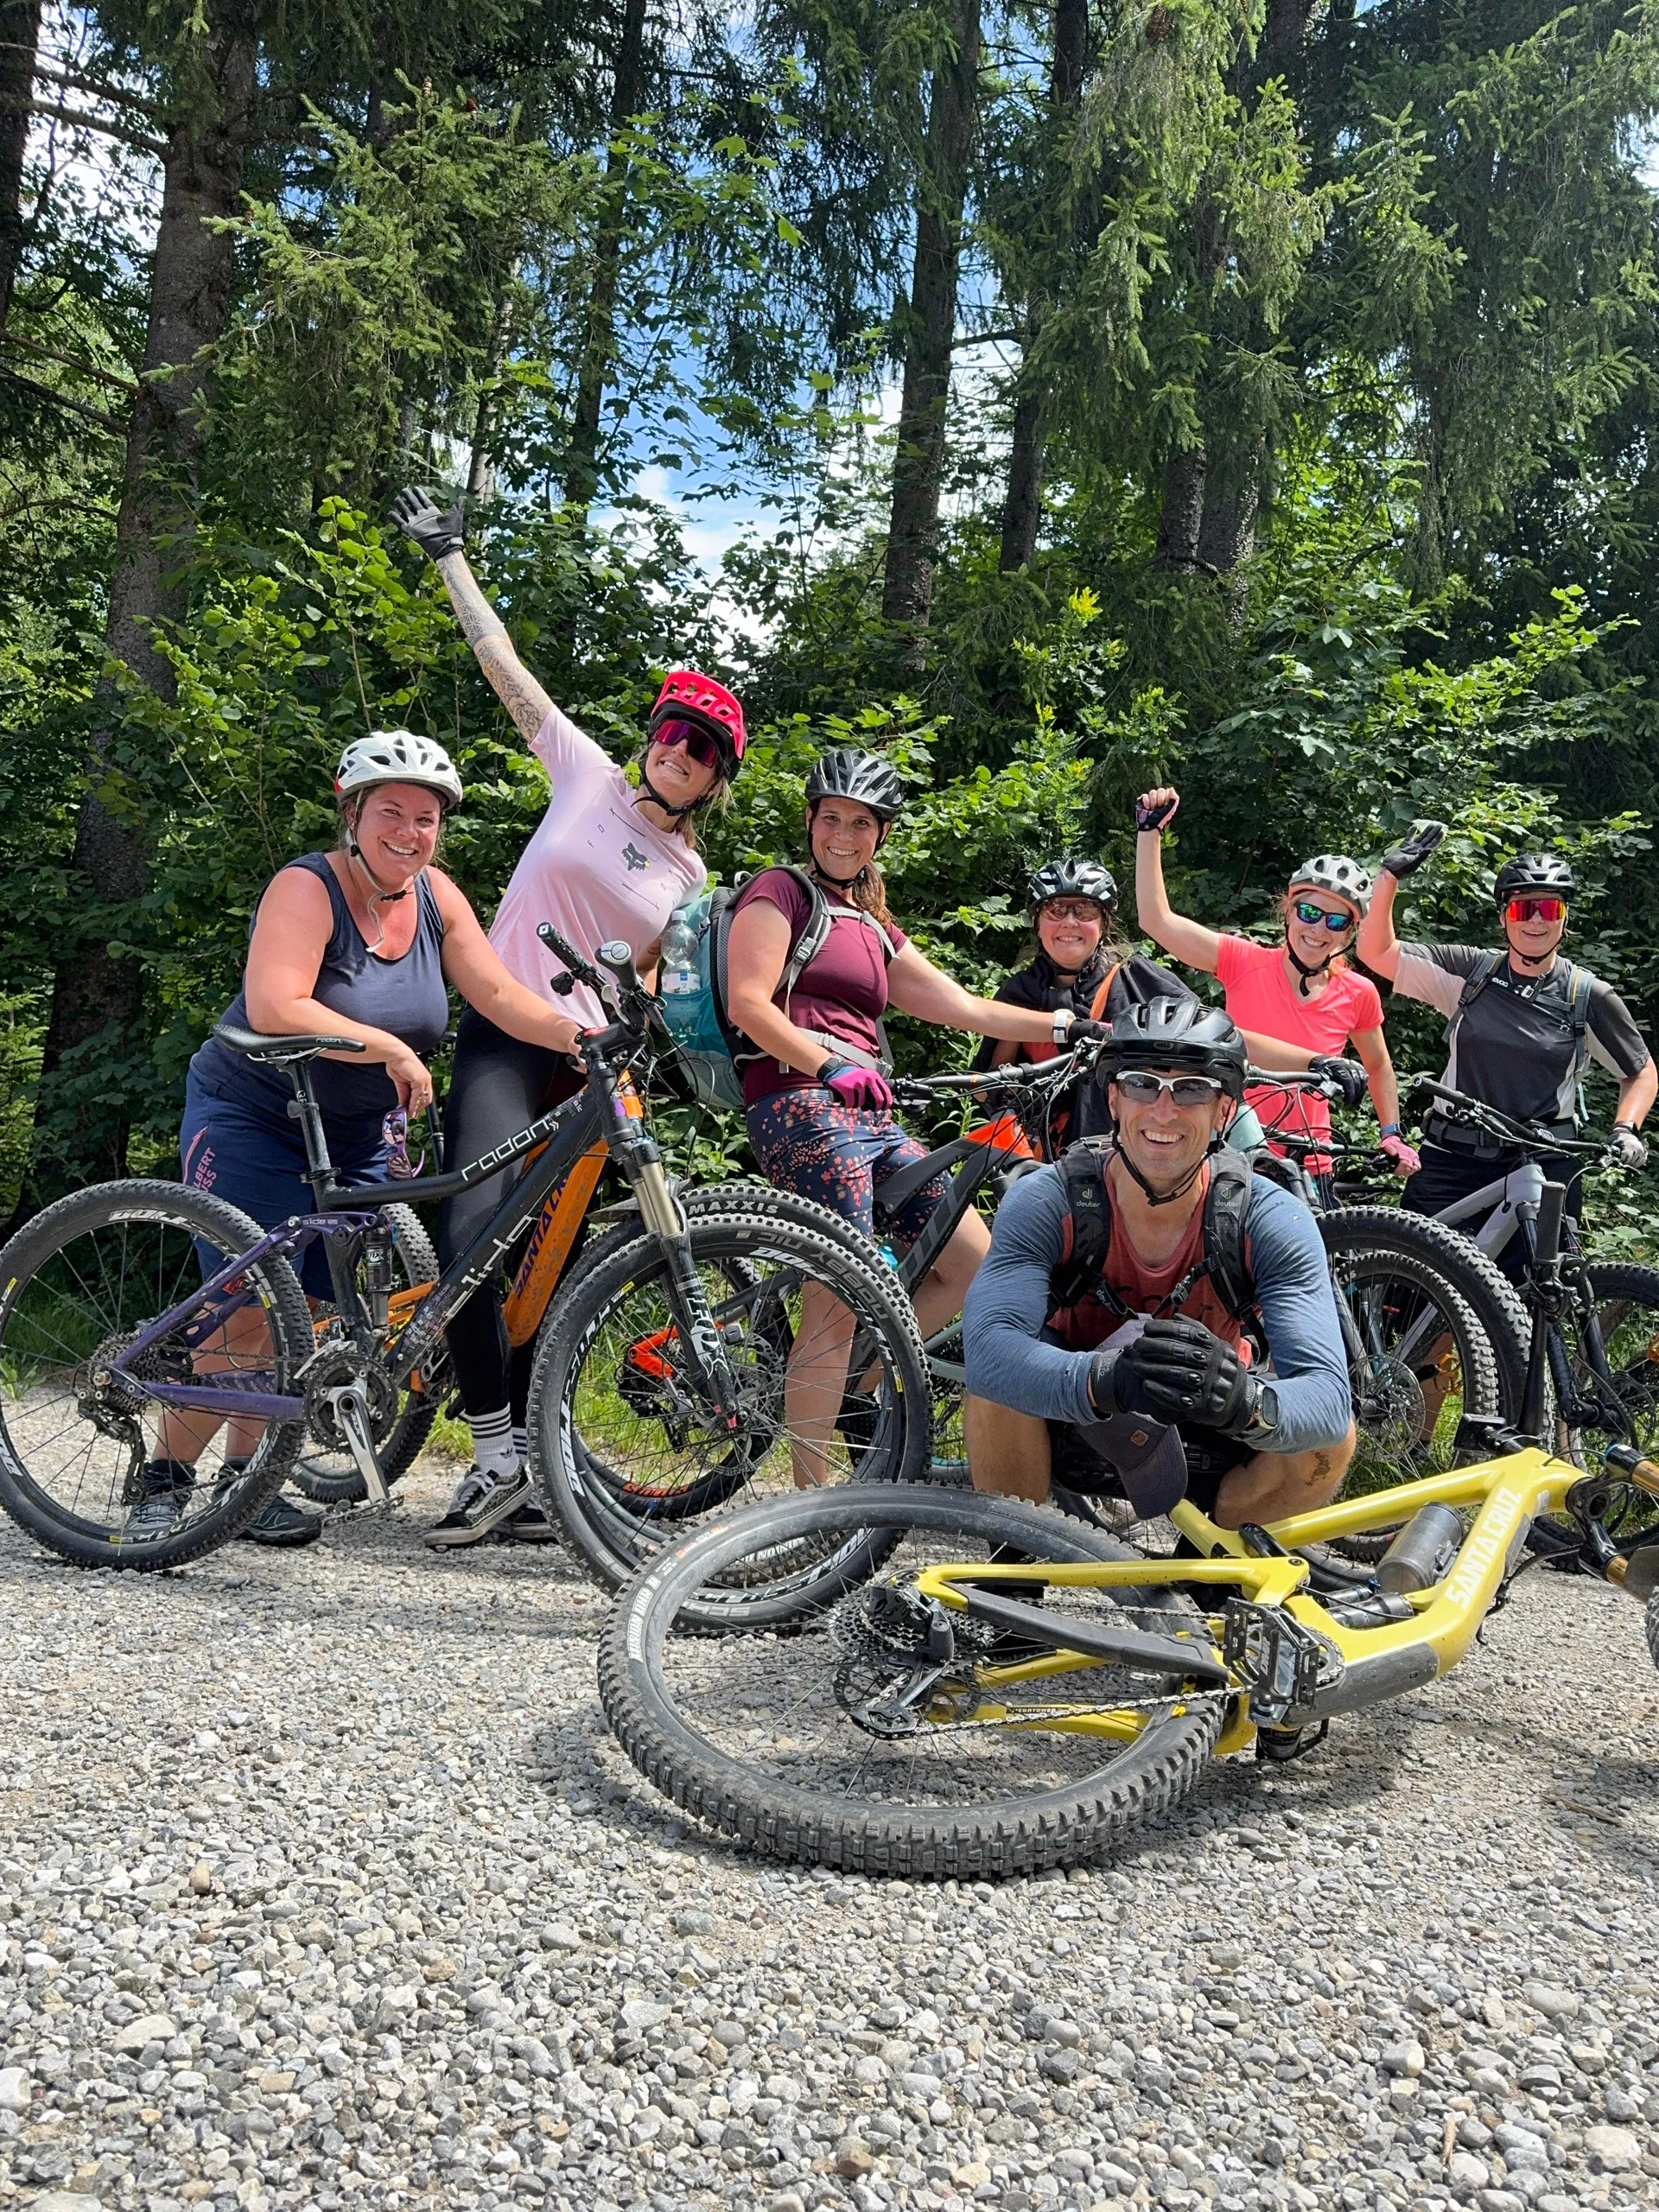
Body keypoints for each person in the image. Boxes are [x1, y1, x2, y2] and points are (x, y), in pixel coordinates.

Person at [391, 483, 744, 1547]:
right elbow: (506, 672)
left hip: (596, 1065)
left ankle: (531, 1457)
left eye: (707, 748)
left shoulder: (692, 873)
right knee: (477, 1233)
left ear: (717, 777)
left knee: (558, 1266)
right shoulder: (584, 775)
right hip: (513, 1029)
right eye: (676, 730)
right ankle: (494, 1457)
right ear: (653, 735)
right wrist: (454, 559)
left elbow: (658, 982)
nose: (683, 750)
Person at [145, 732, 586, 1546]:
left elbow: (492, 988)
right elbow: (277, 1005)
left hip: (350, 1133)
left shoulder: (433, 895)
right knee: (251, 1310)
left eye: (426, 819)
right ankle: (164, 1481)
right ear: (351, 813)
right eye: (391, 812)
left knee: (311, 1310)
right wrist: (385, 1046)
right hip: (254, 1115)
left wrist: (576, 1036)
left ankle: (250, 1482)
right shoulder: (306, 887)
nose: (410, 833)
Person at [722, 749, 1105, 1478]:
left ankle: (841, 1392)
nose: (842, 834)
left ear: (880, 835)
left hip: (869, 1115)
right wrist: (828, 1062)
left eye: (860, 823)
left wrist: (1064, 1027)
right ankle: (812, 1502)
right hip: (801, 1104)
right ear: (809, 822)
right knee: (835, 1297)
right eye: (829, 818)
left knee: (971, 1259)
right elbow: (748, 1003)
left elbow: (958, 1004)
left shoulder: (869, 923)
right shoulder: (781, 892)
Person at [962, 997, 1355, 1548]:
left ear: (1224, 1112)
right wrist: (1107, 1379)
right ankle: (1013, 1582)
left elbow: (1328, 1400)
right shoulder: (1048, 1199)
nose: (1164, 1111)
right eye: (1144, 1085)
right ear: (1114, 1100)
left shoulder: (1269, 1216)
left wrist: (1244, 1401)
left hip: (1213, 1418)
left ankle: (1213, 1568)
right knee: (995, 1394)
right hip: (1076, 1411)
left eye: (1192, 1089)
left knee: (1328, 1446)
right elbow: (988, 1351)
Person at [1357, 830, 1656, 1268]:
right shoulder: (1471, 973)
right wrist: (1388, 878)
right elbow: (1376, 951)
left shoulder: (1587, 995)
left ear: (1564, 918)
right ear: (1504, 917)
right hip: (1452, 1158)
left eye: (1549, 908)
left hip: (1544, 1161)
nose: (1536, 921)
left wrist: (1626, 1127)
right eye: (1523, 907)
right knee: (1413, 1292)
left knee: (1539, 1297)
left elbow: (1641, 1071)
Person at [1134, 785, 1419, 1184]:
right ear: (1288, 911)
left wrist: (1392, 1132)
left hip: (1311, 1159)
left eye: (1336, 921)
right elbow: (1156, 920)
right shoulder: (1242, 959)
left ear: (1350, 933)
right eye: (1308, 911)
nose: (1318, 929)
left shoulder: (1358, 992)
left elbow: (1378, 1065)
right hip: (1231, 1148)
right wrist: (1150, 833)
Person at [974, 858, 1193, 1150]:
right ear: (1037, 924)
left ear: (1103, 923)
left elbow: (1197, 1045)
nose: (1069, 921)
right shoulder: (1019, 993)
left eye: (1085, 910)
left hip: (1137, 1147)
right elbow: (989, 1087)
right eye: (1055, 910)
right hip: (1048, 1156)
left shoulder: (1140, 980)